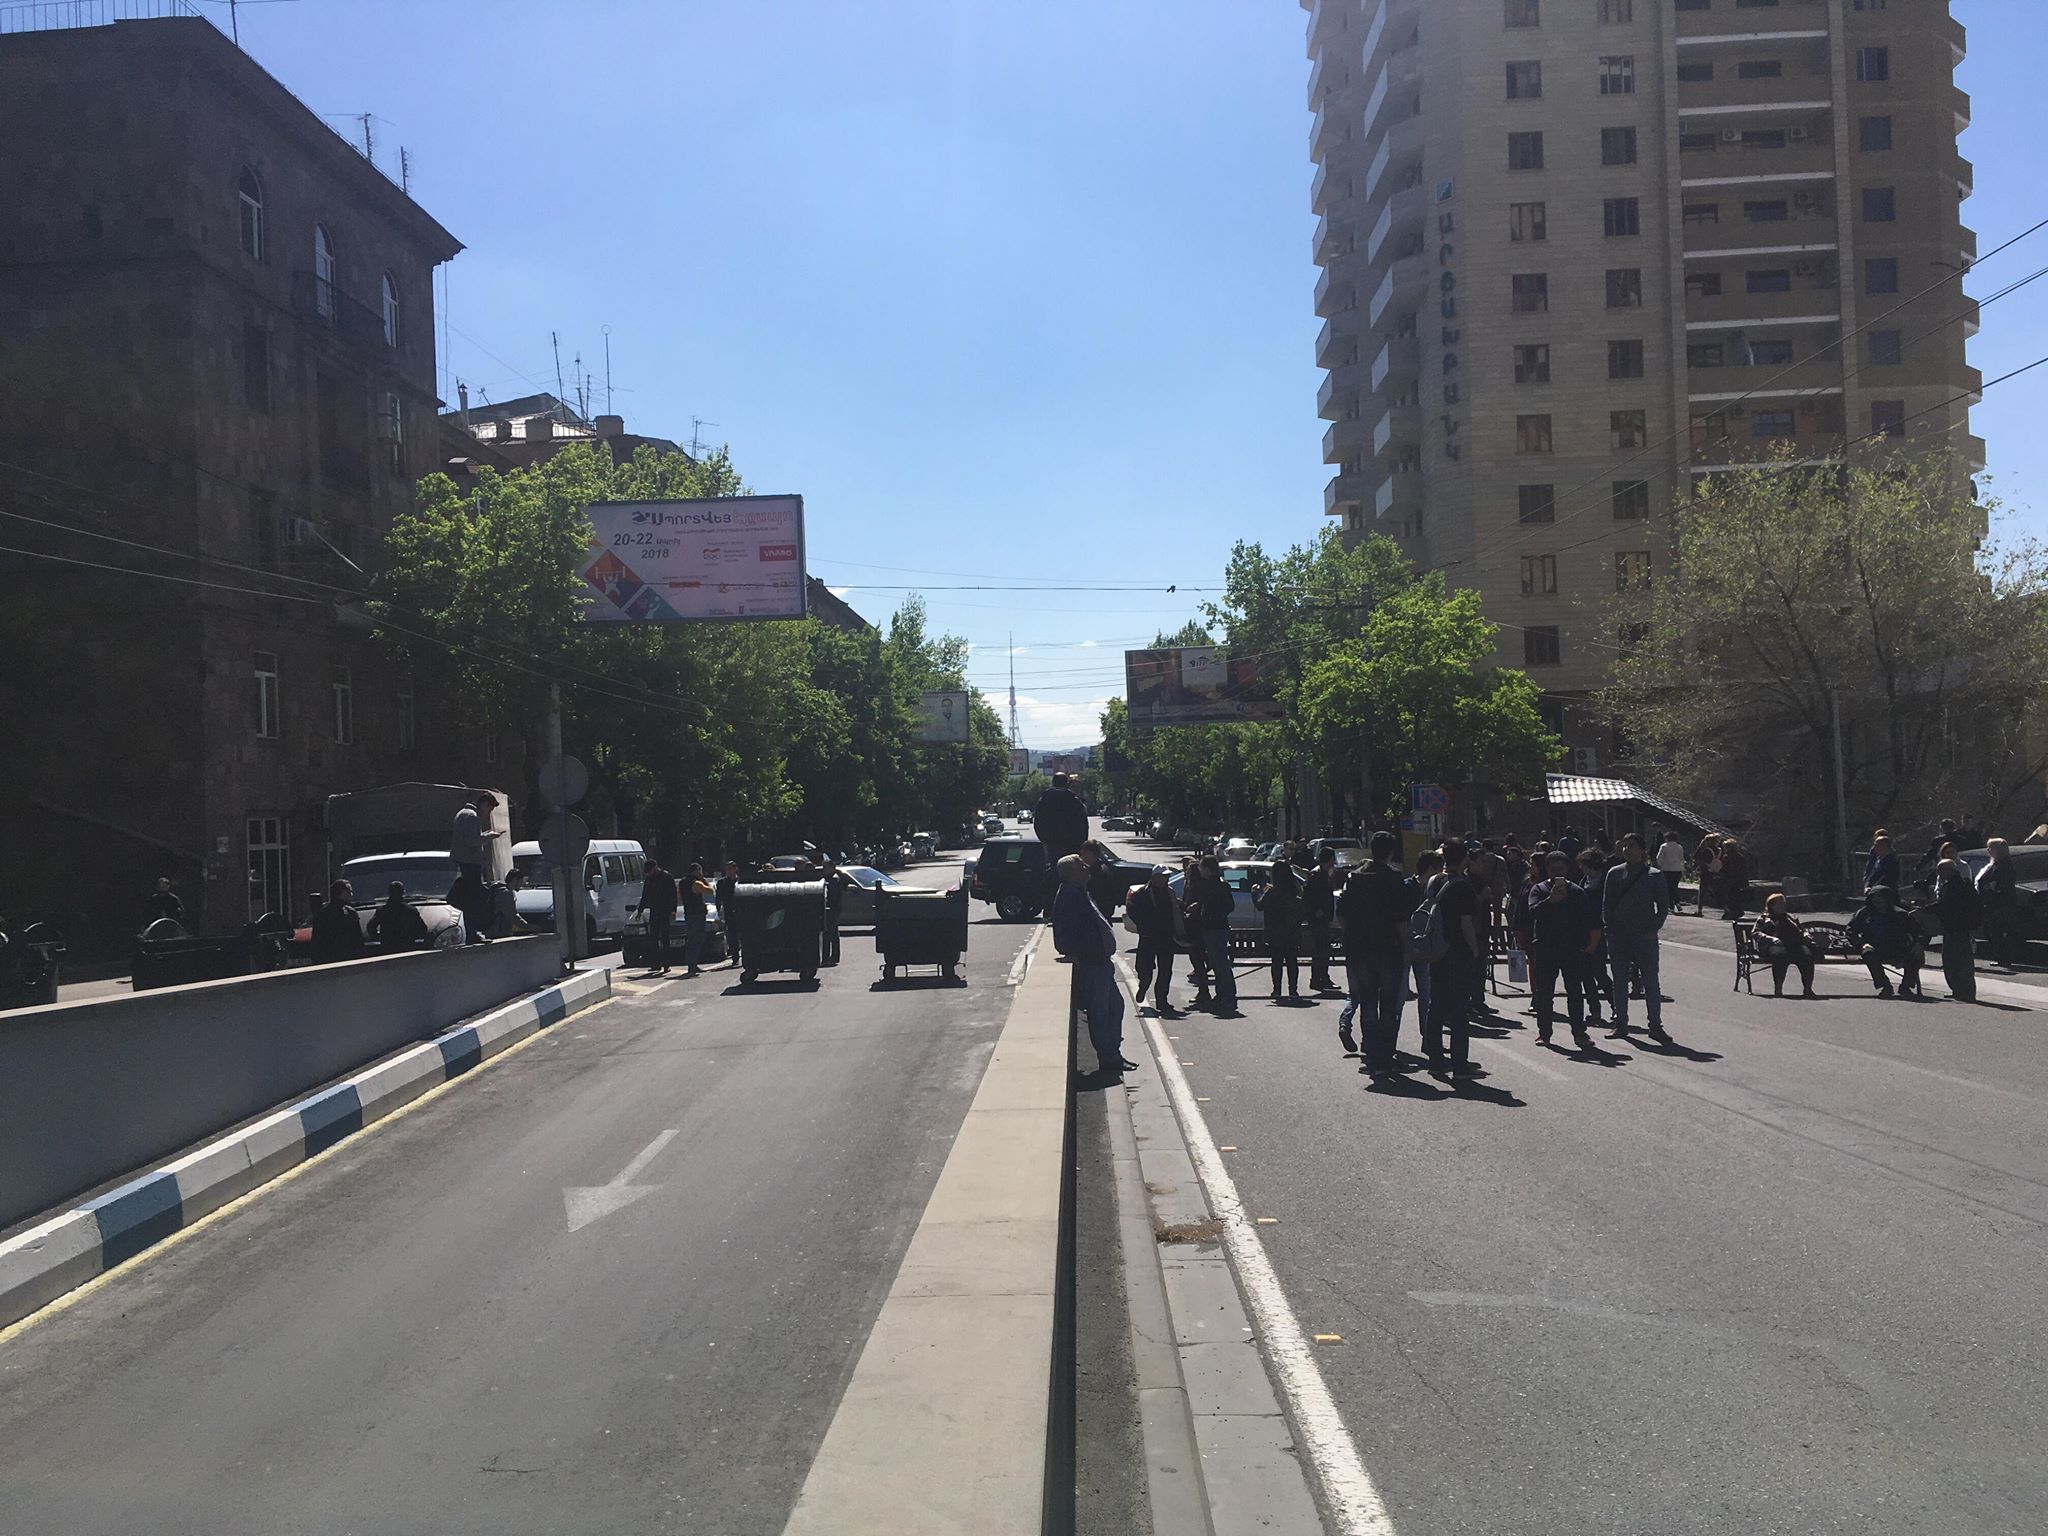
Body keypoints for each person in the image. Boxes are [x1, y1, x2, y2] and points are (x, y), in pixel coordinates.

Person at [1051, 854, 1135, 1079]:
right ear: (1071, 872)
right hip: (1091, 962)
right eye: (1081, 865)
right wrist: (1076, 955)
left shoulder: (1080, 891)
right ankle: (1108, 1058)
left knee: (1114, 1007)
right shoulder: (1069, 895)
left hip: (1099, 961)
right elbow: (1063, 930)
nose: (1086, 867)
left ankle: (1113, 1053)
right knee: (1101, 1012)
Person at [1337, 831, 1410, 1073]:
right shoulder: (1394, 879)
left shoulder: (1355, 878)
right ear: (1391, 852)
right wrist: (1406, 946)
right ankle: (1385, 1054)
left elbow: (1341, 915)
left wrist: (1352, 936)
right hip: (1388, 947)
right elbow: (1401, 919)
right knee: (1388, 1003)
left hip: (1360, 948)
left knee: (1368, 1000)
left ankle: (1370, 1050)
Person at [1517, 850, 1599, 1048]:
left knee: (1575, 992)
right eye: (1553, 869)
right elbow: (1532, 912)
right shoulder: (1538, 890)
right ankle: (1544, 1033)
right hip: (1545, 948)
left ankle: (1579, 1033)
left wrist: (1586, 944)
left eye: (1560, 869)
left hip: (1571, 949)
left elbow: (1586, 919)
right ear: (1547, 870)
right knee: (1544, 993)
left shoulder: (1577, 892)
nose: (1557, 873)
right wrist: (1551, 900)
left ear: (1567, 869)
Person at [1601, 833, 1671, 1041]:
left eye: (1631, 846)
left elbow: (1663, 906)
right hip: (1619, 937)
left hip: (1644, 938)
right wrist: (1610, 930)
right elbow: (1607, 905)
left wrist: (1653, 929)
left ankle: (1655, 1025)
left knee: (1651, 982)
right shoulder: (1614, 873)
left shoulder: (1654, 875)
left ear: (1642, 850)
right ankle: (1620, 1024)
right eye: (1625, 846)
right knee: (1619, 982)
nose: (1627, 849)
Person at [1423, 845, 1483, 1079]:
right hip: (1458, 951)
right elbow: (1465, 923)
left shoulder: (1433, 881)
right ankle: (1460, 1064)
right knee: (1459, 1009)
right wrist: (1475, 949)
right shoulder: (1463, 886)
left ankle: (1436, 1061)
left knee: (1436, 1007)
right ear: (1465, 858)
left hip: (1436, 949)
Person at [1847, 884, 1924, 999]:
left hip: (1897, 947)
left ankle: (1906, 987)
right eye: (1874, 898)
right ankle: (1885, 986)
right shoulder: (1864, 913)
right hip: (1875, 947)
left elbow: (1917, 930)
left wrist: (1918, 944)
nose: (1877, 901)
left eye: (1881, 898)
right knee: (1868, 954)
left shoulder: (1900, 914)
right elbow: (1851, 930)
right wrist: (1862, 943)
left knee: (1917, 957)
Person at [1187, 854, 1238, 1013]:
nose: (1200, 870)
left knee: (1221, 964)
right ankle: (1220, 994)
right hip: (1210, 928)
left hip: (1216, 928)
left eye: (1201, 867)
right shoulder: (1212, 885)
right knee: (1216, 964)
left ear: (1208, 869)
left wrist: (1211, 913)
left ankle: (1229, 996)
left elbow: (1228, 906)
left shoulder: (1218, 885)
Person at [1033, 772, 1089, 911]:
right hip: (1072, 846)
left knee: (1054, 873)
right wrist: (1081, 844)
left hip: (1053, 846)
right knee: (1073, 876)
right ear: (1066, 784)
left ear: (1053, 783)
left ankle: (1051, 906)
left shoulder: (1044, 801)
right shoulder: (1075, 801)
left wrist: (1046, 840)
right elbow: (1083, 826)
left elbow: (1038, 824)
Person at [1127, 866, 1179, 1015]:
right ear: (1155, 877)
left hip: (1166, 936)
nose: (1165, 879)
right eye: (1163, 876)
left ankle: (1162, 1000)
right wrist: (1144, 925)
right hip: (1148, 936)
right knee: (1144, 967)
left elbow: (1175, 908)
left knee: (1165, 970)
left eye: (1167, 876)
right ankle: (1143, 986)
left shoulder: (1169, 892)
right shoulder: (1142, 893)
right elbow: (1132, 910)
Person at [1931, 857, 1981, 1003]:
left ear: (1950, 870)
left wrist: (1924, 910)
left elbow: (1945, 906)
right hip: (1952, 927)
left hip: (1958, 927)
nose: (1938, 873)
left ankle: (1966, 991)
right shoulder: (1950, 885)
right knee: (1953, 960)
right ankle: (1958, 990)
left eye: (1940, 870)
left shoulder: (1957, 886)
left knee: (1959, 961)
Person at [1754, 892, 1819, 998]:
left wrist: (1806, 935)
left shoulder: (1790, 917)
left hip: (1793, 944)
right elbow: (1755, 933)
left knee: (1807, 956)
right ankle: (1778, 987)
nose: (1782, 906)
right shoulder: (1764, 918)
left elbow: (1802, 930)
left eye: (1783, 903)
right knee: (1780, 956)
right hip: (1774, 945)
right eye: (1779, 904)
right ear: (1772, 905)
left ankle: (1808, 988)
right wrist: (1771, 939)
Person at [1408, 848, 1443, 1040]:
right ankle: (1389, 1043)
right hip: (1406, 947)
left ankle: (1428, 1037)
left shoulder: (1436, 890)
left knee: (1426, 994)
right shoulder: (1407, 887)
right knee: (1398, 997)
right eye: (1439, 869)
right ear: (1430, 869)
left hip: (1426, 949)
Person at [1256, 861, 1304, 1000]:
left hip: (1275, 931)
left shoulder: (1272, 892)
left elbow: (1260, 906)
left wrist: (1255, 893)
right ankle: (1293, 990)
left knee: (1277, 962)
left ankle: (1277, 989)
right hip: (1292, 931)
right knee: (1292, 962)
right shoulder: (1294, 890)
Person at [1976, 838, 2021, 968]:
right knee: (1993, 931)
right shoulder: (1995, 864)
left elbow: (2003, 883)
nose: (1988, 851)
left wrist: (1991, 886)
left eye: (1991, 848)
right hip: (1992, 904)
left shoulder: (2004, 865)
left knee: (1998, 931)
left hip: (2001, 904)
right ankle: (2001, 956)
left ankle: (2004, 958)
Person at [1302, 848, 1336, 993]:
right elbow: (1308, 897)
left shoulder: (1326, 874)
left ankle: (1323, 977)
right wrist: (1316, 911)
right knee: (1319, 949)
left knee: (1324, 949)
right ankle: (1317, 979)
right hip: (1317, 919)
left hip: (1325, 917)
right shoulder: (1315, 875)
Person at [637, 858, 679, 974]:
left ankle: (666, 964)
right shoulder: (649, 879)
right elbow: (645, 895)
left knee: (665, 938)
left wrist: (673, 911)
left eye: (650, 870)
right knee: (653, 938)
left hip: (665, 911)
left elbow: (673, 895)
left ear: (655, 867)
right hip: (654, 911)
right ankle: (655, 963)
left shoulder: (666, 877)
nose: (649, 873)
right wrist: (640, 910)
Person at [450, 791, 502, 884]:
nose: (488, 813)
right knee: (473, 888)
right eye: (490, 809)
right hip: (469, 862)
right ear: (485, 804)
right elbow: (472, 841)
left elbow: (470, 836)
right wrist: (489, 836)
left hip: (463, 860)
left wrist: (486, 834)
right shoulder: (472, 816)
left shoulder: (463, 813)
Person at [309, 878, 365, 964]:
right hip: (346, 959)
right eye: (350, 891)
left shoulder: (321, 914)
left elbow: (316, 941)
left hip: (328, 960)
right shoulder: (350, 913)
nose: (352, 894)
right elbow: (358, 940)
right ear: (343, 893)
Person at [366, 880, 429, 952]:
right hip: (407, 948)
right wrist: (412, 937)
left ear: (389, 893)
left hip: (388, 948)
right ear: (403, 893)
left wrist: (379, 937)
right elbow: (423, 929)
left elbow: (370, 926)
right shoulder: (411, 910)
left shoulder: (382, 911)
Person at [682, 861, 713, 976]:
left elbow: (679, 897)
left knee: (691, 940)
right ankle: (692, 965)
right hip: (698, 914)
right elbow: (710, 891)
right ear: (697, 871)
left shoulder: (682, 883)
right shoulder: (696, 883)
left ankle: (691, 964)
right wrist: (703, 879)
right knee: (697, 940)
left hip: (688, 913)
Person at [445, 866, 489, 945]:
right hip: (467, 911)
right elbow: (450, 898)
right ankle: (471, 935)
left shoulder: (476, 884)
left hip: (474, 912)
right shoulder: (462, 882)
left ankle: (474, 935)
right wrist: (462, 906)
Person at [715, 860, 744, 971]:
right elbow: (718, 898)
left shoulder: (741, 881)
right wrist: (719, 910)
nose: (728, 871)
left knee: (743, 935)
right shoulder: (722, 883)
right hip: (729, 912)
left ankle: (745, 955)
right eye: (727, 869)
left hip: (741, 911)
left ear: (735, 869)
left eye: (730, 869)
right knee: (732, 936)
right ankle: (735, 957)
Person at [821, 856, 850, 965]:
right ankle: (834, 957)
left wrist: (827, 905)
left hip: (832, 909)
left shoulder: (834, 879)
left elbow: (832, 896)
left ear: (832, 868)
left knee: (828, 933)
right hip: (834, 909)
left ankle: (826, 958)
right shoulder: (832, 878)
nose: (824, 870)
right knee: (833, 934)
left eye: (825, 867)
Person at [1716, 839, 1750, 921]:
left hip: (1729, 879)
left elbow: (1724, 869)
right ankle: (1738, 911)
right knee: (1736, 896)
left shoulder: (1727, 857)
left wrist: (1719, 873)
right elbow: (1744, 869)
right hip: (1739, 879)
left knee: (1730, 897)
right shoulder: (1740, 857)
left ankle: (1734, 912)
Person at [1693, 832, 1722, 917]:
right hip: (1716, 872)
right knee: (1716, 891)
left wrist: (1700, 846)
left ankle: (1699, 910)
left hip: (1706, 872)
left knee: (1702, 891)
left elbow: (1697, 857)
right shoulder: (1719, 850)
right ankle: (1726, 908)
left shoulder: (1706, 851)